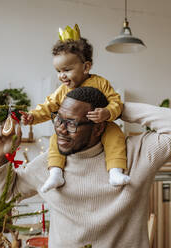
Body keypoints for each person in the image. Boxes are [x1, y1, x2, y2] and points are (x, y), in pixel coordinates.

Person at [0, 87, 171, 248]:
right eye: (58, 120)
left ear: (99, 126)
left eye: (71, 124)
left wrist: (116, 109)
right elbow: (6, 193)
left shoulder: (137, 154)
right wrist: (1, 156)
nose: (61, 131)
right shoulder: (50, 162)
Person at [19, 24, 129, 193]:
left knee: (115, 135)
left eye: (67, 70)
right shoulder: (62, 91)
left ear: (86, 67)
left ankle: (115, 171)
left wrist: (107, 112)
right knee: (56, 139)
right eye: (58, 71)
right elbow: (48, 106)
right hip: (76, 135)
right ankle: (55, 173)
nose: (62, 75)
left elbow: (116, 102)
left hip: (100, 127)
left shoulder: (100, 83)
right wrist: (32, 117)